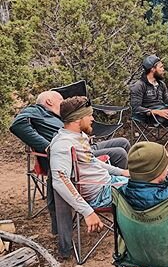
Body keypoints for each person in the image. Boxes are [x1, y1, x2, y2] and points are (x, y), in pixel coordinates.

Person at [50, 96, 130, 233]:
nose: (93, 119)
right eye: (89, 115)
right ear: (77, 119)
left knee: (163, 178)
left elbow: (92, 161)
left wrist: (121, 172)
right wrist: (87, 212)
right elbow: (60, 180)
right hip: (100, 194)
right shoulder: (62, 144)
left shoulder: (79, 136)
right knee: (154, 188)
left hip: (109, 183)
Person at [10, 90, 131, 169]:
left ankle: (119, 181)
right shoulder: (37, 110)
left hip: (82, 147)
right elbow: (17, 125)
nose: (63, 104)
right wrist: (47, 146)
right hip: (69, 156)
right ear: (49, 101)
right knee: (119, 153)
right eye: (61, 100)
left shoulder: (55, 116)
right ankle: (116, 190)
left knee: (123, 142)